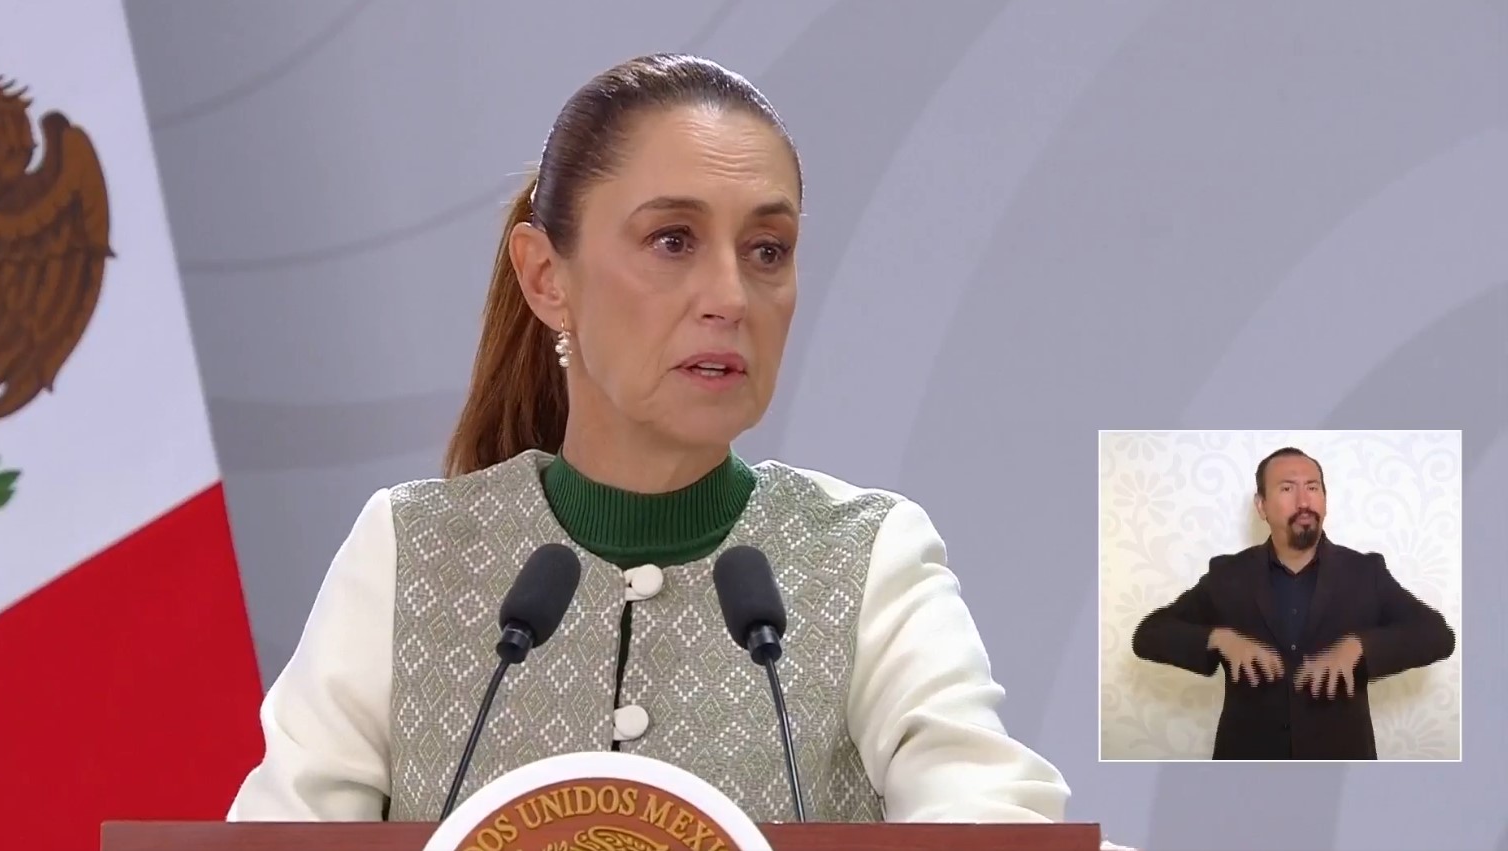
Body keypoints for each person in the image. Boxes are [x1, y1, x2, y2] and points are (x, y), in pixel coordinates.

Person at [225, 53, 1072, 825]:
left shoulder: (864, 558)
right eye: (673, 240)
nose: (730, 296)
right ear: (546, 277)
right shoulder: (411, 551)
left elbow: (992, 822)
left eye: (767, 249)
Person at [1131, 446, 1456, 760]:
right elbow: (1149, 634)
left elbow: (1437, 635)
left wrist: (1360, 646)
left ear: (1325, 500)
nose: (1304, 501)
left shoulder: (1365, 572)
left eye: (1312, 488)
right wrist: (1220, 639)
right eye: (1287, 489)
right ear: (1261, 506)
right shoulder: (1228, 574)